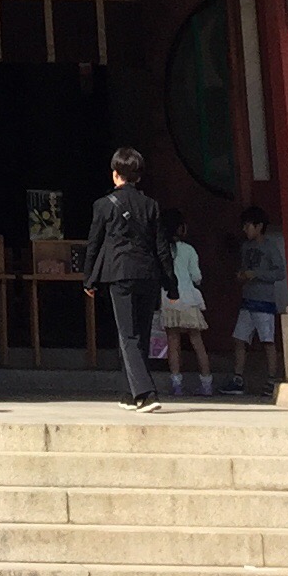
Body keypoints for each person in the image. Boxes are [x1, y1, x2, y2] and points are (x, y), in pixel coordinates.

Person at [83, 147, 166, 412]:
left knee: (128, 335)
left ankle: (147, 393)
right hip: (148, 274)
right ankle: (129, 393)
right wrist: (171, 284)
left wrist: (89, 279)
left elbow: (94, 244)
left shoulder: (103, 205)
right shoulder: (151, 205)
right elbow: (161, 248)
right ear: (138, 176)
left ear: (115, 174)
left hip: (119, 273)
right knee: (141, 334)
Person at [232, 203, 286, 395]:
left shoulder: (270, 247)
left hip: (264, 302)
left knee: (267, 341)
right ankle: (237, 378)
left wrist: (257, 274)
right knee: (239, 339)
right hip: (247, 300)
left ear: (259, 226)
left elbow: (280, 273)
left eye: (248, 225)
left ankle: (271, 379)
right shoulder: (246, 247)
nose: (244, 229)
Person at [160, 214, 214, 395]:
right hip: (189, 299)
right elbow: (196, 277)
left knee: (173, 342)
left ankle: (176, 384)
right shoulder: (189, 250)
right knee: (197, 341)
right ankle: (206, 383)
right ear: (181, 229)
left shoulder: (161, 250)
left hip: (168, 299)